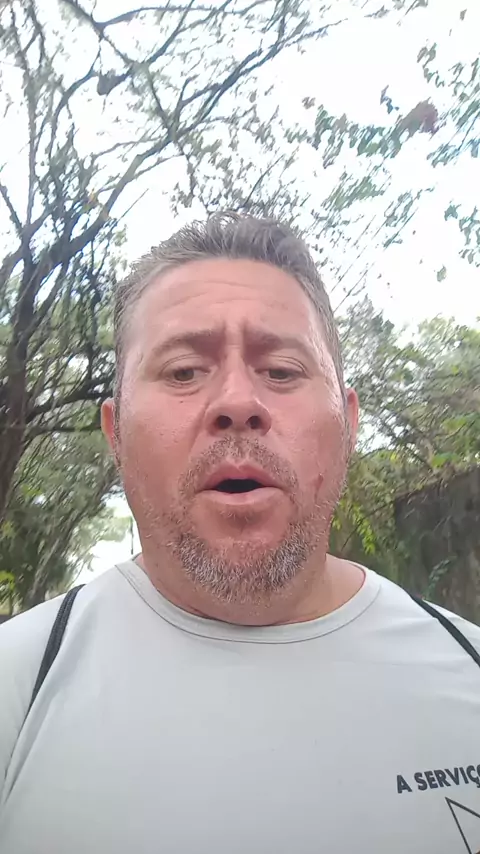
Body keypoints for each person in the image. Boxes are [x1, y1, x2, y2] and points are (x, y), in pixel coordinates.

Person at [0, 213, 479, 854]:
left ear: (348, 424)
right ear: (116, 434)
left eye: (281, 370)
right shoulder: (18, 689)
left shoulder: (467, 667)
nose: (236, 402)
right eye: (182, 371)